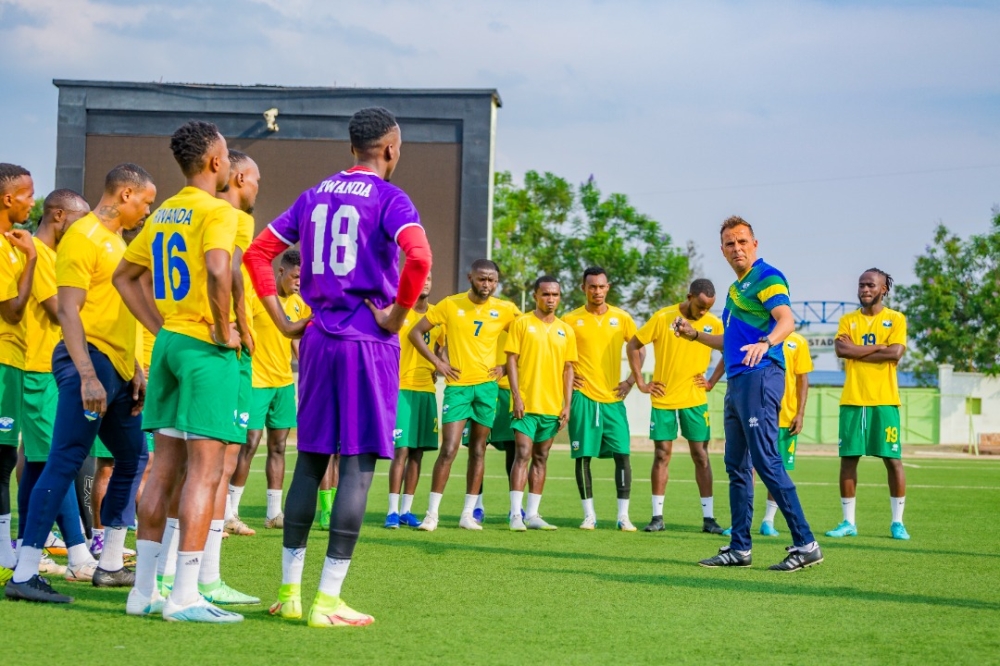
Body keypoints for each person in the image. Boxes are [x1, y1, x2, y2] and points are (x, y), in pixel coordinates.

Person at [244, 106, 431, 627]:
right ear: (390, 149)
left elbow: (258, 253)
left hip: (318, 340)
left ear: (352, 148)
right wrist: (397, 316)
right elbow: (419, 258)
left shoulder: (313, 196)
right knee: (357, 465)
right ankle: (327, 600)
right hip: (368, 343)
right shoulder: (391, 198)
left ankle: (288, 593)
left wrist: (282, 321)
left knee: (310, 461)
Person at [7, 164, 154, 603]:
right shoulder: (84, 236)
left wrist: (136, 369)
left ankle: (109, 565)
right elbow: (68, 311)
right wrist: (87, 374)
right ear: (126, 194)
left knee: (133, 458)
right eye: (146, 202)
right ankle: (24, 573)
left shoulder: (115, 241)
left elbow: (117, 312)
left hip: (116, 368)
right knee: (65, 460)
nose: (148, 210)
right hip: (86, 363)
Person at [115, 121, 243, 622]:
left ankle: (142, 591)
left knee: (163, 466)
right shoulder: (218, 210)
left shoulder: (164, 209)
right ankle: (185, 595)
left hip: (168, 342)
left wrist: (160, 324)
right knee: (205, 471)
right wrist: (219, 327)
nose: (229, 163)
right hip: (200, 347)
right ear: (215, 162)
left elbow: (126, 276)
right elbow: (217, 269)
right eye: (227, 155)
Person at [674, 216, 822, 571]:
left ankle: (806, 543)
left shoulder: (767, 276)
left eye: (742, 241)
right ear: (722, 250)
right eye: (730, 243)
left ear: (755, 244)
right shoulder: (735, 290)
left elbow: (787, 320)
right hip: (738, 382)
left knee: (767, 462)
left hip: (761, 375)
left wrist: (767, 342)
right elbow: (729, 341)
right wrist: (694, 335)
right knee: (737, 467)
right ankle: (740, 548)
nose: (736, 248)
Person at [16, 190, 96, 583]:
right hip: (37, 367)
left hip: (44, 368)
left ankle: (22, 543)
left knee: (36, 465)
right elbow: (59, 309)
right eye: (80, 221)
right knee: (54, 460)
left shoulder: (48, 254)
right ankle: (80, 554)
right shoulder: (44, 254)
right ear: (60, 216)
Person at [408, 259, 520, 532]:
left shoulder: (506, 309)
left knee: (479, 450)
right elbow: (415, 332)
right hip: (458, 387)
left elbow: (527, 337)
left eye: (492, 280)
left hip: (486, 387)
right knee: (449, 449)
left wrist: (504, 367)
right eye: (482, 279)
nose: (487, 285)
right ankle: (431, 515)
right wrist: (439, 363)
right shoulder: (450, 304)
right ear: (470, 277)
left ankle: (467, 514)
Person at [626, 280, 725, 534]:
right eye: (701, 306)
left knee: (701, 456)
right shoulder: (663, 317)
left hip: (695, 399)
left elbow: (729, 347)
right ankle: (657, 517)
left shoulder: (713, 323)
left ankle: (709, 519)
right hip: (664, 397)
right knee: (661, 455)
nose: (704, 312)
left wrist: (712, 380)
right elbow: (633, 345)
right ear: (689, 296)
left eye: (708, 308)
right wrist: (640, 381)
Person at [229, 249, 309, 532]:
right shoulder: (257, 296)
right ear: (281, 272)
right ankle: (231, 511)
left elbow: (298, 346)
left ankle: (274, 513)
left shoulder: (300, 304)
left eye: (302, 278)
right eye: (295, 277)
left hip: (283, 383)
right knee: (248, 444)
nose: (299, 282)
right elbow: (235, 325)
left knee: (278, 446)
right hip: (254, 381)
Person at [827, 269, 909, 540]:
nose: (864, 289)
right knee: (848, 461)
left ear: (883, 289)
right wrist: (878, 349)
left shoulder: (896, 319)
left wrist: (858, 350)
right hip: (852, 400)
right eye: (861, 285)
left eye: (870, 285)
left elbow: (895, 352)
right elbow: (841, 351)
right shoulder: (847, 320)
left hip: (885, 401)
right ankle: (848, 522)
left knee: (892, 460)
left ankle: (897, 522)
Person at [562, 267, 639, 531]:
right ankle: (589, 515)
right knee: (583, 456)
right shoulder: (570, 320)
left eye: (601, 286)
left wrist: (631, 381)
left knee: (623, 455)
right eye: (592, 286)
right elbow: (557, 356)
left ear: (608, 288)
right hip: (583, 398)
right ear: (583, 288)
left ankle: (623, 516)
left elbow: (638, 348)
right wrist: (569, 381)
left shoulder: (622, 317)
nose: (597, 291)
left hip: (613, 398)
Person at [505, 276, 577, 531]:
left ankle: (533, 514)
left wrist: (567, 405)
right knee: (522, 453)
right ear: (536, 296)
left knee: (541, 457)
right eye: (545, 294)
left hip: (552, 406)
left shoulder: (566, 330)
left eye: (555, 295)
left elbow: (569, 369)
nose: (551, 299)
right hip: (526, 404)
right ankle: (516, 514)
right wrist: (517, 396)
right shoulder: (522, 323)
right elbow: (511, 360)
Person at [0, 163, 37, 586]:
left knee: (7, 455)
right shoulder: (10, 248)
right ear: (8, 198)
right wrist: (30, 258)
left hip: (15, 360)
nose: (32, 201)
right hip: (4, 359)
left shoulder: (12, 243)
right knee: (3, 456)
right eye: (28, 194)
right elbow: (12, 309)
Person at [386, 273, 440, 529]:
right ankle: (392, 511)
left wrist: (438, 365)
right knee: (402, 451)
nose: (425, 281)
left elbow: (439, 349)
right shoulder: (398, 312)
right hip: (402, 389)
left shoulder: (438, 316)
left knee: (417, 453)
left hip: (427, 391)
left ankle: (407, 510)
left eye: (429, 278)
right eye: (422, 278)